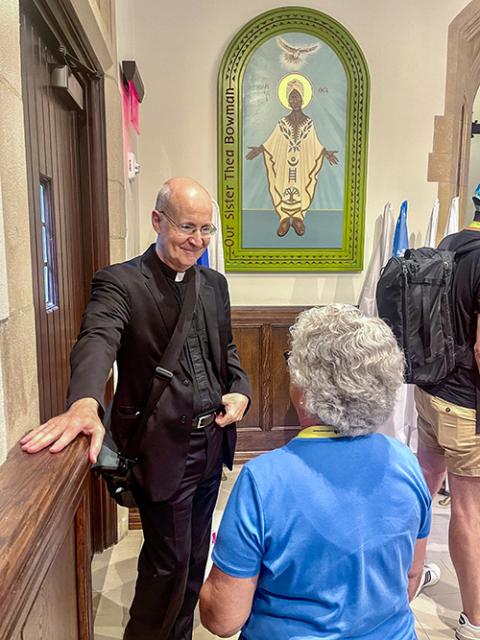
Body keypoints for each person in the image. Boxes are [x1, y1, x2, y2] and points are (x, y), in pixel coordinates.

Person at [20, 176, 251, 640]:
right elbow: (97, 339)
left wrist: (240, 390)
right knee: (165, 568)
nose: (198, 240)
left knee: (192, 565)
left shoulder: (214, 285)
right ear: (157, 220)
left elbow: (227, 354)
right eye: (188, 227)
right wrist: (84, 400)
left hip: (211, 445)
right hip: (163, 449)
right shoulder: (121, 282)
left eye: (207, 230)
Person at [200, 304, 432, 640]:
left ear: (305, 388)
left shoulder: (263, 480)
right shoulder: (406, 462)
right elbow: (411, 580)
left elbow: (222, 620)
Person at [415, 192, 480, 640]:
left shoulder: (449, 244)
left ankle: (407, 578)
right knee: (470, 511)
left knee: (422, 491)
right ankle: (475, 620)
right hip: (466, 406)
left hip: (429, 392)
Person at [246, 78, 338, 237]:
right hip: (285, 164)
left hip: (302, 163)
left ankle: (298, 217)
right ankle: (283, 217)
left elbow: (314, 143)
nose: (294, 100)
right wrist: (260, 149)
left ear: (303, 99)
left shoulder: (308, 123)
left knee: (303, 185)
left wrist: (325, 153)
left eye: (297, 97)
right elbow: (273, 140)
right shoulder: (282, 123)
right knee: (280, 185)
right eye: (291, 97)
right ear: (288, 100)